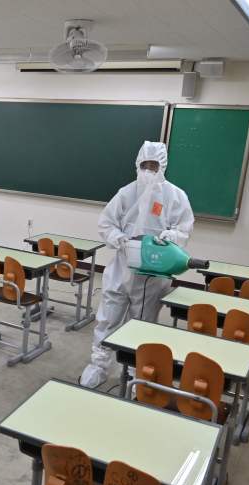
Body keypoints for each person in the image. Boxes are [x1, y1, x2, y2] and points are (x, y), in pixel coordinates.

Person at [79, 141, 195, 389]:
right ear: (137, 164)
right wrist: (118, 238)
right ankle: (99, 365)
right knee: (107, 319)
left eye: (154, 165)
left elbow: (184, 228)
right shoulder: (126, 193)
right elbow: (106, 223)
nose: (149, 170)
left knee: (141, 326)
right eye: (145, 165)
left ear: (163, 165)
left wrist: (171, 237)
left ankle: (135, 373)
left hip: (153, 273)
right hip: (121, 267)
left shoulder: (176, 196)